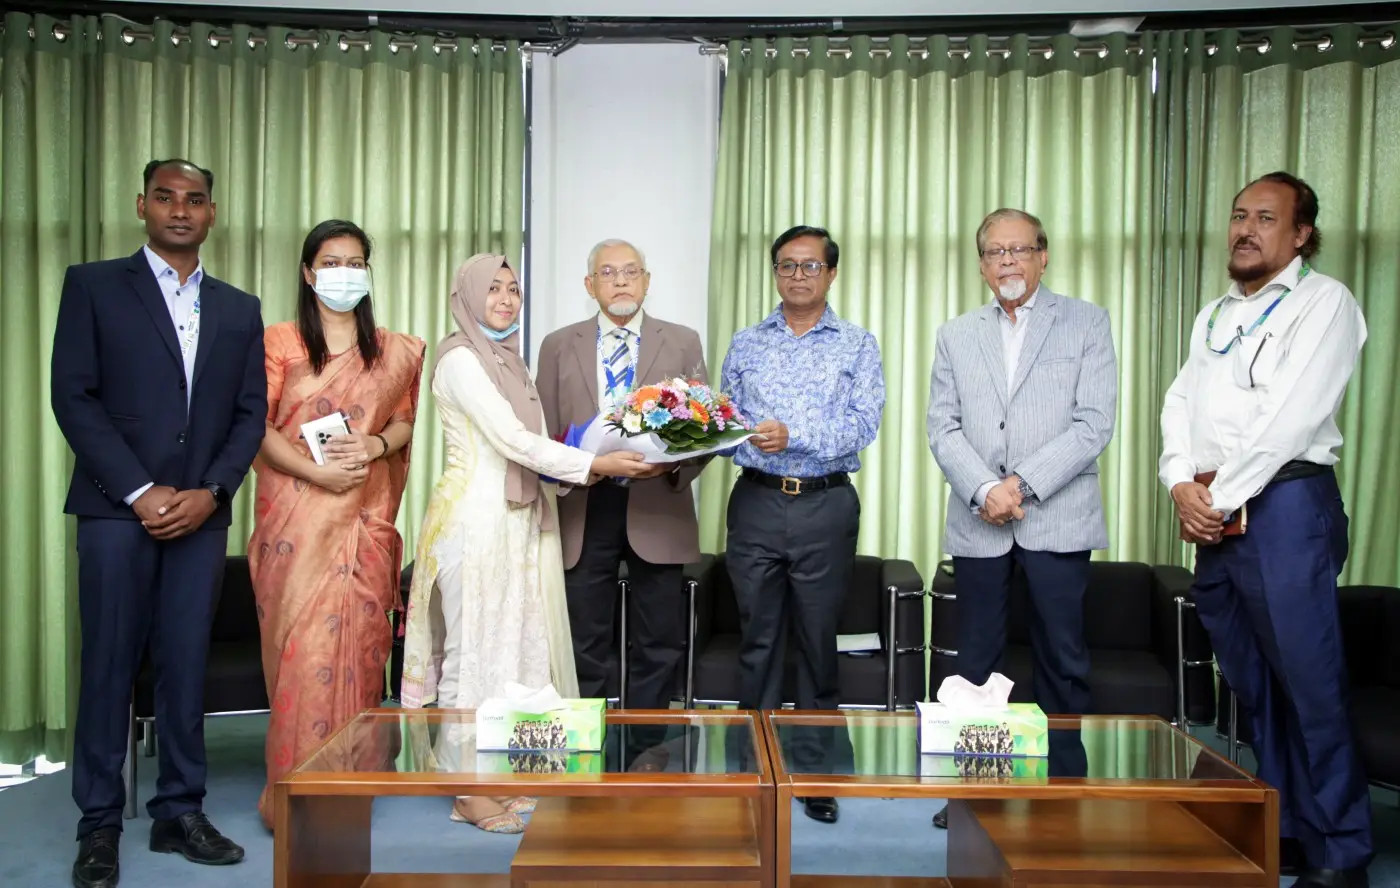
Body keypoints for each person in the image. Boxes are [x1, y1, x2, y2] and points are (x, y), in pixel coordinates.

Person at [51, 159, 265, 888]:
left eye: (195, 199)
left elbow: (249, 415)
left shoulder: (239, 308)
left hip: (201, 516)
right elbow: (73, 397)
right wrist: (140, 490)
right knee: (109, 665)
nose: (180, 210)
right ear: (141, 204)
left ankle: (180, 810)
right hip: (116, 511)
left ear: (212, 213)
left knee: (184, 666)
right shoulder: (93, 286)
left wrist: (212, 491)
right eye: (166, 197)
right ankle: (99, 824)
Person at [1159, 172, 1372, 888]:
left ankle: (1342, 848)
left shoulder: (1324, 303)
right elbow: (1179, 401)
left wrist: (1214, 500)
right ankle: (1286, 827)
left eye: (1266, 218)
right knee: (1254, 688)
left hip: (1285, 509)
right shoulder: (1214, 314)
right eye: (1238, 215)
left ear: (1302, 234)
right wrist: (1180, 482)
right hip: (1219, 516)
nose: (1246, 229)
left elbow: (1290, 419)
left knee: (1309, 685)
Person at [399, 254, 650, 833]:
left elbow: (533, 443)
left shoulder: (508, 360)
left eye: (513, 289)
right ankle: (468, 789)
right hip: (475, 522)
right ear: (467, 296)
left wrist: (589, 458)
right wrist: (594, 464)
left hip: (519, 520)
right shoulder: (461, 359)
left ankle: (507, 773)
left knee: (513, 649)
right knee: (472, 652)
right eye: (492, 289)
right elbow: (513, 439)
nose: (506, 300)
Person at [926, 208, 1117, 830]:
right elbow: (942, 426)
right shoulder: (956, 333)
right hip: (979, 521)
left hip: (1057, 517)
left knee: (1062, 657)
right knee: (975, 659)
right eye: (995, 252)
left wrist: (1020, 484)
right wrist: (985, 488)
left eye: (1020, 250)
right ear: (982, 264)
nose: (1007, 261)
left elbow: (1094, 423)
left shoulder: (1087, 321)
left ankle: (1063, 787)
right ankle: (975, 790)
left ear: (1043, 255)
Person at [248, 219, 426, 829]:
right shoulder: (279, 342)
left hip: (364, 520)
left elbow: (404, 422)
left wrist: (374, 446)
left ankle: (355, 785)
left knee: (362, 652)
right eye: (330, 263)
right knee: (303, 658)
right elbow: (255, 426)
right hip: (296, 526)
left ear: (368, 273)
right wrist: (315, 474)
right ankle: (297, 796)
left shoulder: (395, 351)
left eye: (354, 263)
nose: (343, 274)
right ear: (308, 273)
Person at [720, 225, 885, 825]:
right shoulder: (746, 343)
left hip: (824, 505)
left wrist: (796, 436)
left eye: (810, 265)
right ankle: (753, 773)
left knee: (818, 646)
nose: (797, 275)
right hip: (757, 502)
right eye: (786, 265)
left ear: (831, 273)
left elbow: (864, 425)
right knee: (758, 643)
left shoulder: (857, 345)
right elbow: (724, 421)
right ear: (775, 273)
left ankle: (818, 777)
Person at [535, 239, 708, 718]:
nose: (621, 282)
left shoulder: (682, 341)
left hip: (658, 501)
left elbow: (707, 426)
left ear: (647, 281)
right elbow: (543, 433)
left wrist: (672, 464)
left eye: (631, 272)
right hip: (584, 503)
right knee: (584, 636)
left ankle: (648, 744)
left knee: (659, 638)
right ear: (589, 285)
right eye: (608, 273)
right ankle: (585, 738)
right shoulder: (557, 345)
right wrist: (584, 468)